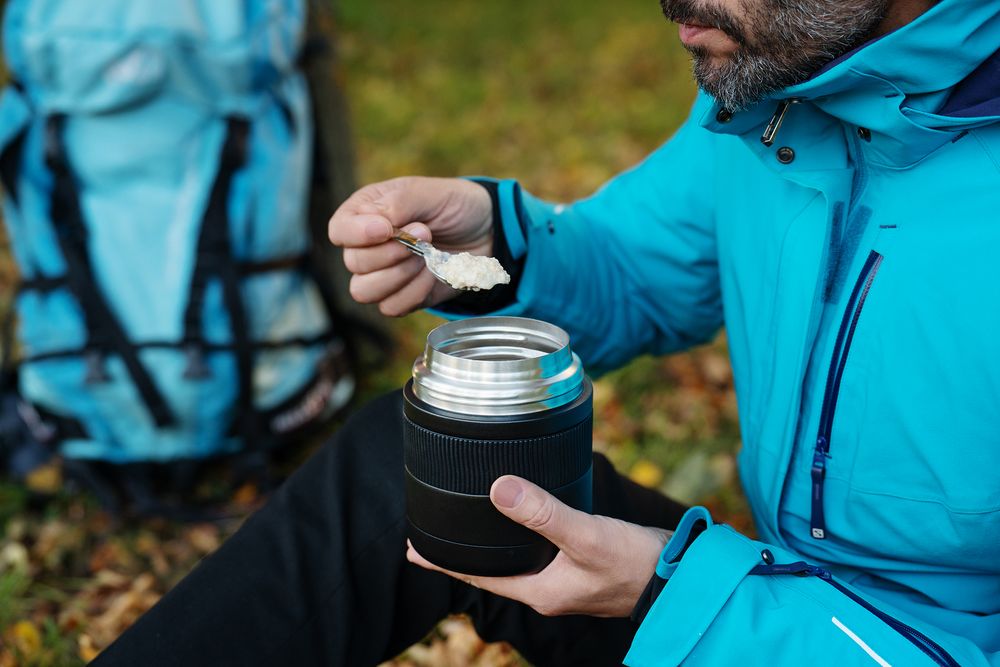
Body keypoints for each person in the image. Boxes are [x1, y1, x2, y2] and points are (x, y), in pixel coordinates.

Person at [96, 0, 1000, 664]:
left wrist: (686, 599)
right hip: (775, 600)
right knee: (418, 468)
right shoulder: (790, 87)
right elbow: (643, 265)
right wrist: (499, 247)